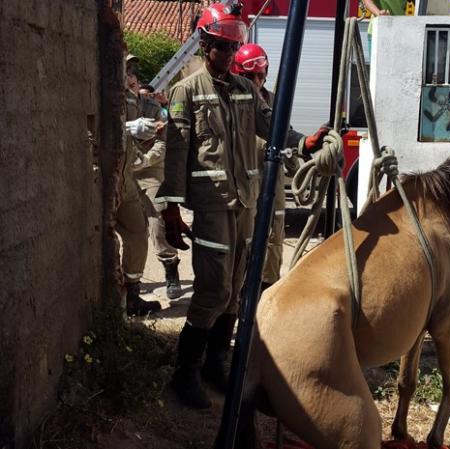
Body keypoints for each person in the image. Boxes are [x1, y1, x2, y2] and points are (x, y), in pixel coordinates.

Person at [156, 3, 330, 409]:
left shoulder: (244, 89)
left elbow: (272, 127)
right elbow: (177, 152)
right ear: (204, 44)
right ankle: (185, 373)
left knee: (236, 290)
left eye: (234, 48)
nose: (229, 55)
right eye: (221, 47)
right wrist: (169, 209)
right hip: (212, 205)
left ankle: (216, 365)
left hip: (245, 204)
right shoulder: (187, 92)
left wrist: (304, 143)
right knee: (213, 288)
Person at [232, 43, 301, 290]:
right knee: (246, 235)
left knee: (275, 233)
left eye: (261, 75)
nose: (257, 80)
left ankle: (268, 286)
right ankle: (242, 288)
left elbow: (285, 134)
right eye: (250, 76)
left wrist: (296, 166)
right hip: (244, 179)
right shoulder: (233, 101)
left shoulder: (275, 101)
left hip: (273, 178)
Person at [117, 54, 162, 315]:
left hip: (125, 176)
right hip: (99, 178)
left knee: (137, 231)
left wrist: (145, 131)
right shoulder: (104, 88)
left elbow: (140, 132)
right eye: (125, 69)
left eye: (131, 69)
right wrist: (127, 127)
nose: (130, 74)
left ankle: (132, 294)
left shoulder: (133, 96)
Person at [134, 84, 184, 300]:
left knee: (158, 220)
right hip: (123, 171)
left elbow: (163, 142)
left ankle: (170, 266)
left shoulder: (153, 109)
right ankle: (131, 283)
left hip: (150, 171)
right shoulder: (116, 105)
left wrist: (144, 160)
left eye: (133, 78)